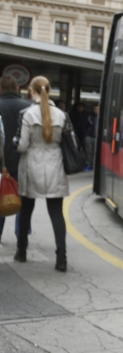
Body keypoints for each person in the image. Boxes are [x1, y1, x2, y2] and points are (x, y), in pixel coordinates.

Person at [14, 76, 69, 271]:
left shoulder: (27, 114)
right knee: (56, 213)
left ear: (32, 91)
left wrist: (14, 142)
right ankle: (61, 257)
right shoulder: (62, 115)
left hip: (31, 166)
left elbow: (21, 145)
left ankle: (21, 251)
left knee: (25, 211)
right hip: (55, 165)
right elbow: (71, 143)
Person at [0, 74, 30, 243]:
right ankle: (22, 235)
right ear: (17, 89)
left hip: (0, 162)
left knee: (0, 196)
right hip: (22, 161)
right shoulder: (28, 107)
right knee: (22, 200)